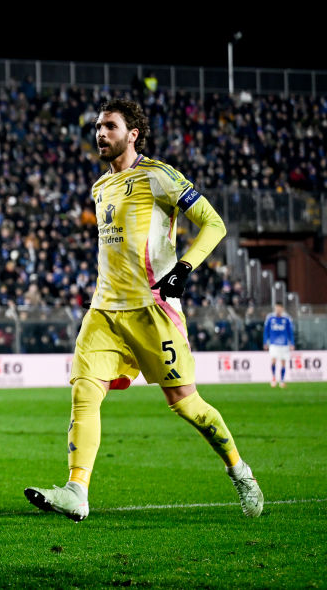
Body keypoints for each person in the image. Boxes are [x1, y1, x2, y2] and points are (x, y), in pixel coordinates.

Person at [24, 98, 263, 521]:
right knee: (84, 391)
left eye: (110, 127)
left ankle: (240, 472)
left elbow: (214, 224)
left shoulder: (159, 176)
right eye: (98, 127)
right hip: (104, 311)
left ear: (132, 134)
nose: (101, 133)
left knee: (186, 403)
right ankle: (77, 491)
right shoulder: (100, 187)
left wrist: (184, 268)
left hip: (153, 308)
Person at [263, 303, 294, 388]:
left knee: (283, 362)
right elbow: (266, 331)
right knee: (273, 360)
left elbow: (290, 331)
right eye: (276, 308)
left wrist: (292, 343)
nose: (278, 309)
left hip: (284, 344)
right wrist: (265, 342)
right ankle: (273, 378)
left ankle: (282, 380)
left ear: (282, 308)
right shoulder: (270, 318)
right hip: (273, 343)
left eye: (279, 308)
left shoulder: (287, 318)